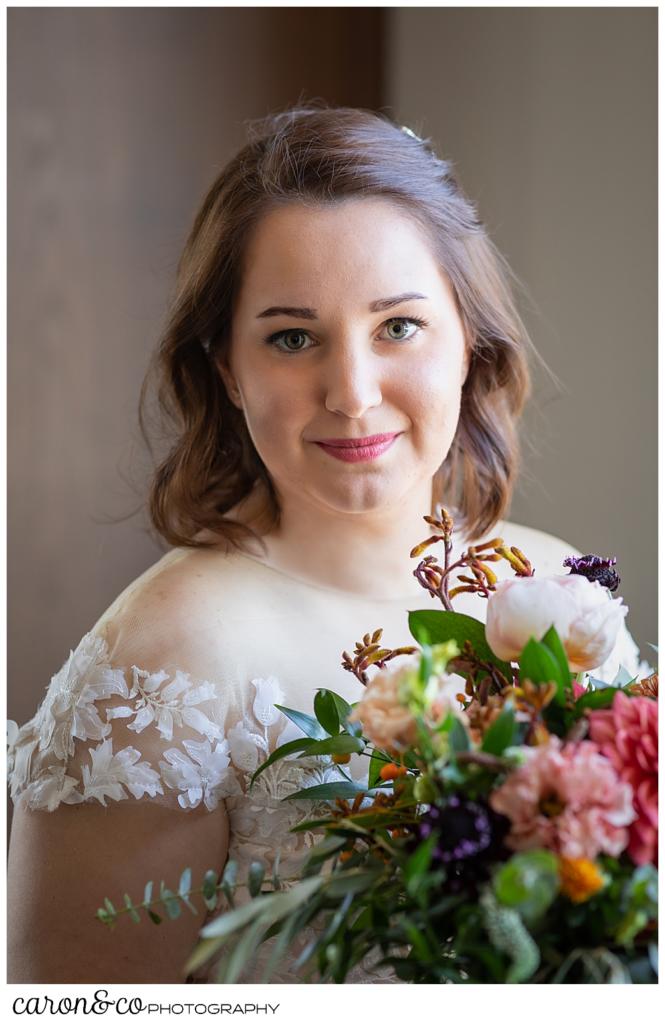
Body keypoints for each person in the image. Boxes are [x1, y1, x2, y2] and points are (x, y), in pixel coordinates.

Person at [6, 102, 643, 985]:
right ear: (227, 369)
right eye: (292, 337)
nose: (350, 392)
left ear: (467, 341)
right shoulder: (167, 655)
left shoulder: (554, 589)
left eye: (398, 327)